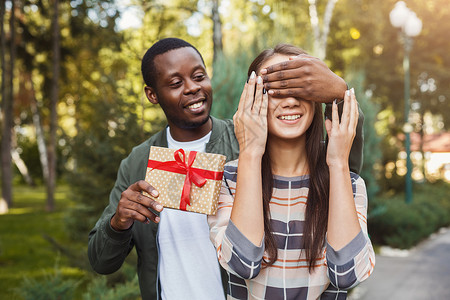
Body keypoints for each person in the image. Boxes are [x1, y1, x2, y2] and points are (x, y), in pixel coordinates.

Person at [88, 38, 364, 300]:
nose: (192, 87)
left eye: (198, 76)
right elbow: (101, 262)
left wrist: (339, 94)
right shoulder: (139, 161)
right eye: (175, 82)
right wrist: (118, 223)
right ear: (152, 94)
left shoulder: (250, 141)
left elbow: (334, 170)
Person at [208, 44, 375, 299]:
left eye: (300, 88)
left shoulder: (348, 183)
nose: (289, 101)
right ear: (252, 99)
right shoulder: (226, 179)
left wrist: (339, 163)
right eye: (274, 89)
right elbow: (244, 264)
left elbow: (347, 274)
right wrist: (250, 151)